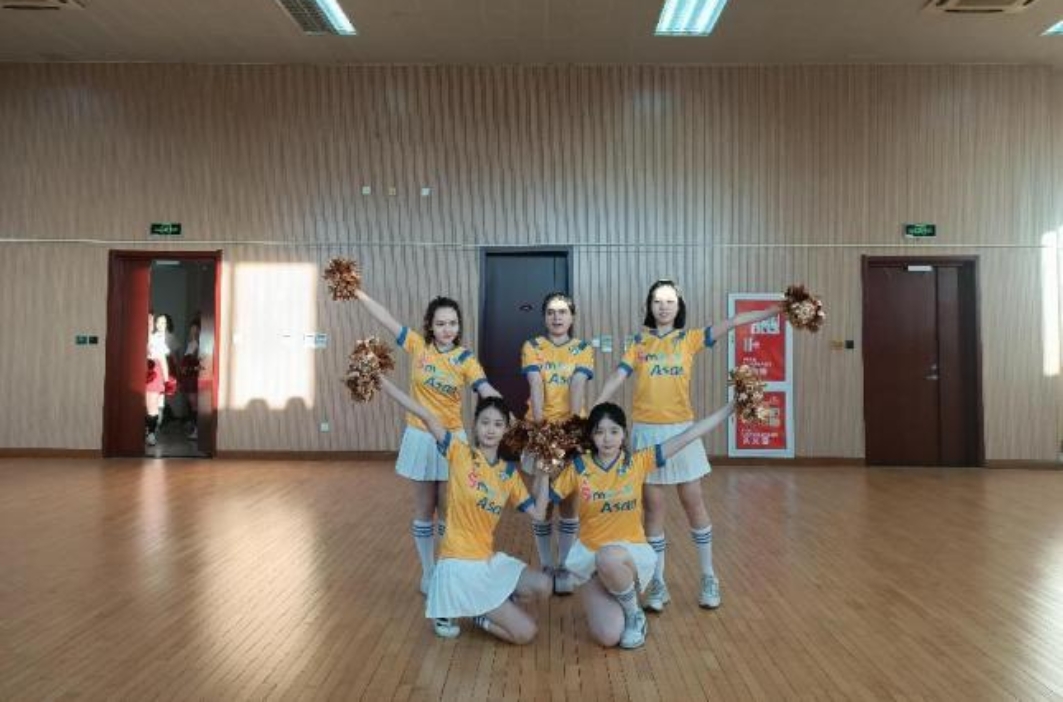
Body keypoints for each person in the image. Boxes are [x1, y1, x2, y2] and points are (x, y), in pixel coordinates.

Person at [594, 279, 782, 610]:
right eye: (657, 301)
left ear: (679, 306)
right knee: (653, 509)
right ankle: (657, 583)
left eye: (670, 301)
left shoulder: (690, 338)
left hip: (681, 430)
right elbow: (619, 375)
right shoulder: (638, 343)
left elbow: (734, 321)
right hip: (646, 432)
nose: (663, 306)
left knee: (693, 502)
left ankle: (708, 576)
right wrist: (596, 405)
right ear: (649, 306)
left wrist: (772, 310)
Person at [551, 400, 735, 649]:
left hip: (627, 557)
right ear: (591, 436)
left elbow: (689, 435)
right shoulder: (579, 467)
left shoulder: (637, 462)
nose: (607, 439)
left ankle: (633, 613)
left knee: (608, 557)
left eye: (614, 431)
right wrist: (544, 466)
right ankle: (618, 598)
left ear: (624, 434)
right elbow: (541, 509)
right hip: (592, 562)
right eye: (600, 432)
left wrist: (729, 408)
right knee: (608, 636)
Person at [380, 377, 552, 642]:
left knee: (544, 585)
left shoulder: (508, 473)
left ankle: (484, 604)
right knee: (525, 633)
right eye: (485, 422)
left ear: (506, 430)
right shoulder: (459, 453)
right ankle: (475, 612)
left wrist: (546, 471)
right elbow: (426, 415)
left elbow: (539, 514)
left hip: (486, 561)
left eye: (498, 424)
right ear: (475, 425)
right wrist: (383, 383)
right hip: (458, 565)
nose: (490, 430)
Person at [355, 288, 503, 593]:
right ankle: (428, 572)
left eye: (453, 323)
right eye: (441, 323)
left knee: (449, 510)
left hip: (452, 440)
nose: (447, 329)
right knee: (425, 508)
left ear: (459, 326)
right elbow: (386, 318)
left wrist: (500, 405)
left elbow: (484, 387)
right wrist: (358, 292)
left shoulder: (465, 359)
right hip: (420, 437)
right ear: (430, 326)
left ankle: (448, 570)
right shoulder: (418, 346)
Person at [519, 292, 594, 593]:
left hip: (571, 433)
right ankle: (547, 563)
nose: (557, 317)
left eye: (563, 312)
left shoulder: (583, 349)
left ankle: (564, 566)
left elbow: (577, 385)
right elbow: (536, 385)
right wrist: (542, 434)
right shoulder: (532, 346)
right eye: (551, 312)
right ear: (544, 317)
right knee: (543, 501)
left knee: (568, 502)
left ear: (572, 317)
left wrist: (571, 435)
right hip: (540, 431)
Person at [145, 312, 170, 447]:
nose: (150, 323)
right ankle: (147, 430)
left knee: (152, 406)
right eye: (147, 320)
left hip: (153, 374)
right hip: (140, 372)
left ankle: (151, 433)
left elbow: (163, 361)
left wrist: (167, 381)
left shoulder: (157, 339)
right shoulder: (140, 337)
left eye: (151, 320)